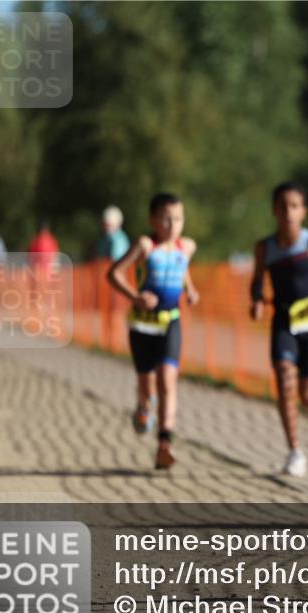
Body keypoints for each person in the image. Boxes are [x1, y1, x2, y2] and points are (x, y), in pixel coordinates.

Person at [250, 181, 308, 477]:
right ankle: (295, 450)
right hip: (282, 322)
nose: (287, 212)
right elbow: (256, 280)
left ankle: (306, 409)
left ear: (303, 211)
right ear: (273, 210)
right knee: (284, 377)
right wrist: (255, 300)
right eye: (282, 206)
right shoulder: (265, 248)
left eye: (294, 206)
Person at [107, 193, 199, 470]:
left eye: (178, 219)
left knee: (167, 382)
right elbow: (114, 273)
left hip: (170, 321)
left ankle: (164, 444)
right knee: (148, 385)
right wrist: (135, 297)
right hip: (142, 324)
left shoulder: (187, 247)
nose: (172, 225)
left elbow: (181, 268)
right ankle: (143, 406)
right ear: (153, 220)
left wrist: (190, 289)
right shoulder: (145, 246)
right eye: (166, 219)